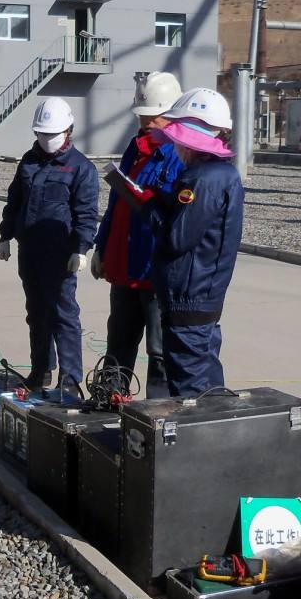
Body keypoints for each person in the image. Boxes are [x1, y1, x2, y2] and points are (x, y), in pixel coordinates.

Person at [145, 88, 244, 396]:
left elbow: (178, 238)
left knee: (190, 392)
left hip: (190, 296)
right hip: (200, 296)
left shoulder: (202, 179)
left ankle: (202, 443)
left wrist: (149, 208)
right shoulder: (218, 175)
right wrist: (166, 201)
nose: (176, 148)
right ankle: (218, 441)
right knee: (208, 386)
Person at [92, 72, 184, 398]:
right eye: (143, 115)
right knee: (118, 344)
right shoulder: (136, 147)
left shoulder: (180, 155)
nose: (145, 122)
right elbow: (118, 200)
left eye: (152, 116)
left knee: (159, 354)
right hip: (125, 270)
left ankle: (157, 422)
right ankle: (110, 401)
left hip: (155, 274)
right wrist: (101, 247)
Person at [0, 97, 99, 392]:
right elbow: (15, 200)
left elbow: (86, 214)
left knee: (63, 314)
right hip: (29, 251)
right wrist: (6, 235)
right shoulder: (29, 161)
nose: (47, 140)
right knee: (36, 313)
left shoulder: (81, 169)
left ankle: (70, 379)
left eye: (53, 134)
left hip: (60, 254)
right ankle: (41, 370)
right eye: (42, 134)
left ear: (68, 131)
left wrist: (81, 249)